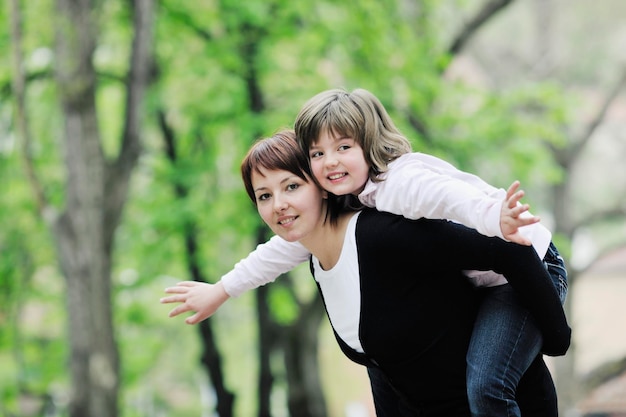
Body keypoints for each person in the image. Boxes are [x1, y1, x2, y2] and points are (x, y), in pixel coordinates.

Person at [164, 88, 569, 416]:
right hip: (489, 288)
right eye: (264, 196)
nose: (279, 205)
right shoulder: (324, 238)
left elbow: (459, 207)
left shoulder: (396, 193)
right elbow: (275, 253)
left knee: (488, 386)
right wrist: (220, 290)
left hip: (527, 260)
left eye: (290, 187)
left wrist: (494, 216)